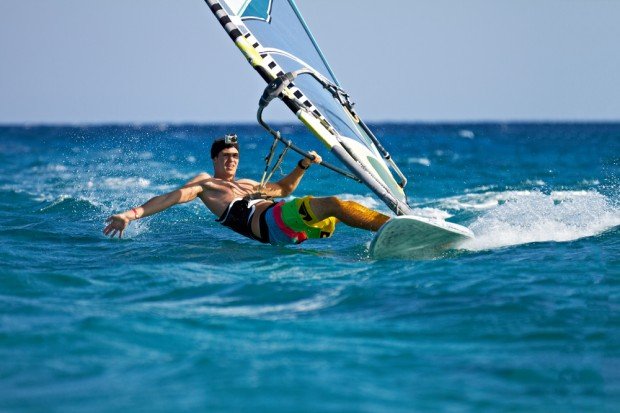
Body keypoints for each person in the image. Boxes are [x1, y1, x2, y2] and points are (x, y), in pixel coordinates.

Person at [103, 134, 390, 244]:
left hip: (288, 230)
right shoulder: (207, 185)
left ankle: (390, 234)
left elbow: (283, 189)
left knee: (337, 217)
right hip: (268, 224)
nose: (231, 160)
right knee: (334, 203)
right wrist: (131, 214)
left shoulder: (249, 184)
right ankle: (392, 226)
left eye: (235, 156)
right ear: (215, 159)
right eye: (225, 156)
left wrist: (303, 165)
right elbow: (171, 198)